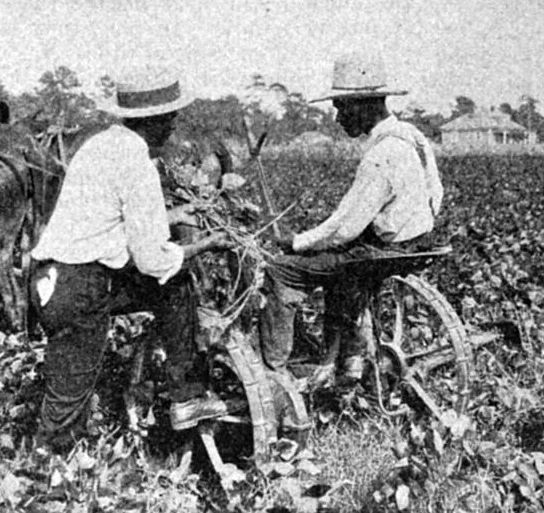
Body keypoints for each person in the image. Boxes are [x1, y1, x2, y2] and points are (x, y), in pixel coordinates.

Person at [28, 66, 234, 449]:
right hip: (80, 288)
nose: (173, 127)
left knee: (66, 390)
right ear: (152, 121)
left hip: (48, 280)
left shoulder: (100, 145)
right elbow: (152, 260)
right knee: (67, 404)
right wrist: (205, 244)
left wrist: (172, 216)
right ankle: (45, 477)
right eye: (170, 118)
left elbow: (105, 220)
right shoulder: (138, 164)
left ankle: (183, 392)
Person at [259, 52, 444, 386]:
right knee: (335, 261)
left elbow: (344, 227)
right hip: (411, 243)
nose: (338, 117)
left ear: (364, 105)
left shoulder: (379, 157)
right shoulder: (413, 137)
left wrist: (296, 241)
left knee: (281, 269)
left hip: (378, 253)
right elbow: (437, 195)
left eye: (342, 107)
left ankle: (274, 374)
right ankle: (349, 356)